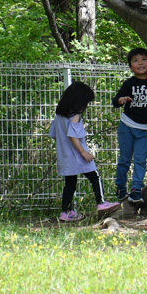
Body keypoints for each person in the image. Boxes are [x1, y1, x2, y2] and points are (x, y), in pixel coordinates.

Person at [49, 81, 120, 222]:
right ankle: (101, 203)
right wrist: (82, 152)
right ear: (79, 101)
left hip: (65, 156)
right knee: (95, 176)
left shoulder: (59, 116)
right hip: (79, 155)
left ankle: (66, 212)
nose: (85, 106)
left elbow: (54, 134)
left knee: (70, 184)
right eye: (85, 103)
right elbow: (73, 135)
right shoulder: (75, 116)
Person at [112, 47, 147, 204]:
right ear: (130, 66)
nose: (140, 63)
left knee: (141, 160)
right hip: (127, 125)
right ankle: (121, 187)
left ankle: (136, 189)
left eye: (144, 59)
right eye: (135, 60)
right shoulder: (129, 83)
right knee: (124, 159)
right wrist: (121, 100)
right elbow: (116, 101)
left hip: (146, 128)